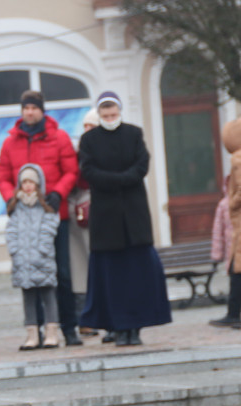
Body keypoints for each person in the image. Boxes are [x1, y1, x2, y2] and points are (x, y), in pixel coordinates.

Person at [78, 91, 171, 346]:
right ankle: (118, 328)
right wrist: (117, 181)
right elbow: (88, 170)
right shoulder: (89, 140)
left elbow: (142, 164)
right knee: (112, 280)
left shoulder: (133, 133)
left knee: (138, 278)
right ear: (99, 115)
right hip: (106, 222)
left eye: (113, 114)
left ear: (119, 112)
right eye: (106, 115)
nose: (110, 119)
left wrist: (122, 179)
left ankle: (136, 328)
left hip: (134, 218)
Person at [0, 90, 82, 346]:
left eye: (34, 108)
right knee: (30, 275)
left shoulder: (59, 137)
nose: (30, 112)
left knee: (62, 274)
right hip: (25, 221)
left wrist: (58, 193)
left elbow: (71, 171)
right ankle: (37, 330)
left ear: (42, 110)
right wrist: (10, 198)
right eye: (26, 108)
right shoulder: (10, 143)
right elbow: (3, 177)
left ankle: (68, 328)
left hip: (55, 216)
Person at [6, 164, 61, 350]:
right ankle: (32, 334)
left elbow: (49, 227)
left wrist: (42, 250)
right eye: (25, 182)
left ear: (38, 185)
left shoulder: (46, 206)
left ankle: (51, 332)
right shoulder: (16, 208)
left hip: (42, 259)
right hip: (23, 261)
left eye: (31, 182)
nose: (28, 186)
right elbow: (11, 231)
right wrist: (15, 251)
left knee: (48, 295)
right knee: (28, 297)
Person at [68, 109, 99, 337]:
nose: (88, 130)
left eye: (92, 126)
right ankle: (84, 318)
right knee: (79, 265)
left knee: (98, 265)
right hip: (77, 211)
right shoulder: (76, 152)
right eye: (85, 126)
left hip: (99, 208)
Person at [209, 164, 240, 328]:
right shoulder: (224, 205)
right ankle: (233, 314)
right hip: (234, 251)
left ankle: (233, 314)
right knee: (235, 282)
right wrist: (217, 254)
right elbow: (218, 232)